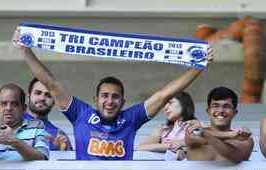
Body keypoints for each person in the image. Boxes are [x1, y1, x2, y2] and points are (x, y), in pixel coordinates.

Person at [12, 27, 213, 160]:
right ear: (95, 99)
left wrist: (198, 66)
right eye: (105, 96)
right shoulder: (80, 114)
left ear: (123, 101)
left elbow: (163, 95)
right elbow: (51, 83)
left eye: (115, 97)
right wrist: (25, 51)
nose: (109, 101)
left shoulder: (130, 118)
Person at [0, 21, 71, 151]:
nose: (42, 98)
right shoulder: (11, 114)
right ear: (28, 96)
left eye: (48, 95)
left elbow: (61, 168)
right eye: (38, 93)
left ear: (54, 101)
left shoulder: (59, 135)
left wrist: (61, 151)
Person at [185, 86, 254, 162]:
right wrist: (231, 135)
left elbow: (237, 157)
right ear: (208, 111)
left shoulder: (245, 139)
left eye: (226, 106)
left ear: (235, 112)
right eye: (215, 106)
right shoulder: (193, 133)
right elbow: (191, 139)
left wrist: (205, 134)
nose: (221, 110)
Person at [137, 91, 198, 160]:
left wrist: (183, 143)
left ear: (184, 103)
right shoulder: (162, 130)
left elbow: (205, 142)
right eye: (164, 104)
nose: (165, 108)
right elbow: (141, 147)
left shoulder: (196, 125)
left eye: (170, 103)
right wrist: (169, 145)